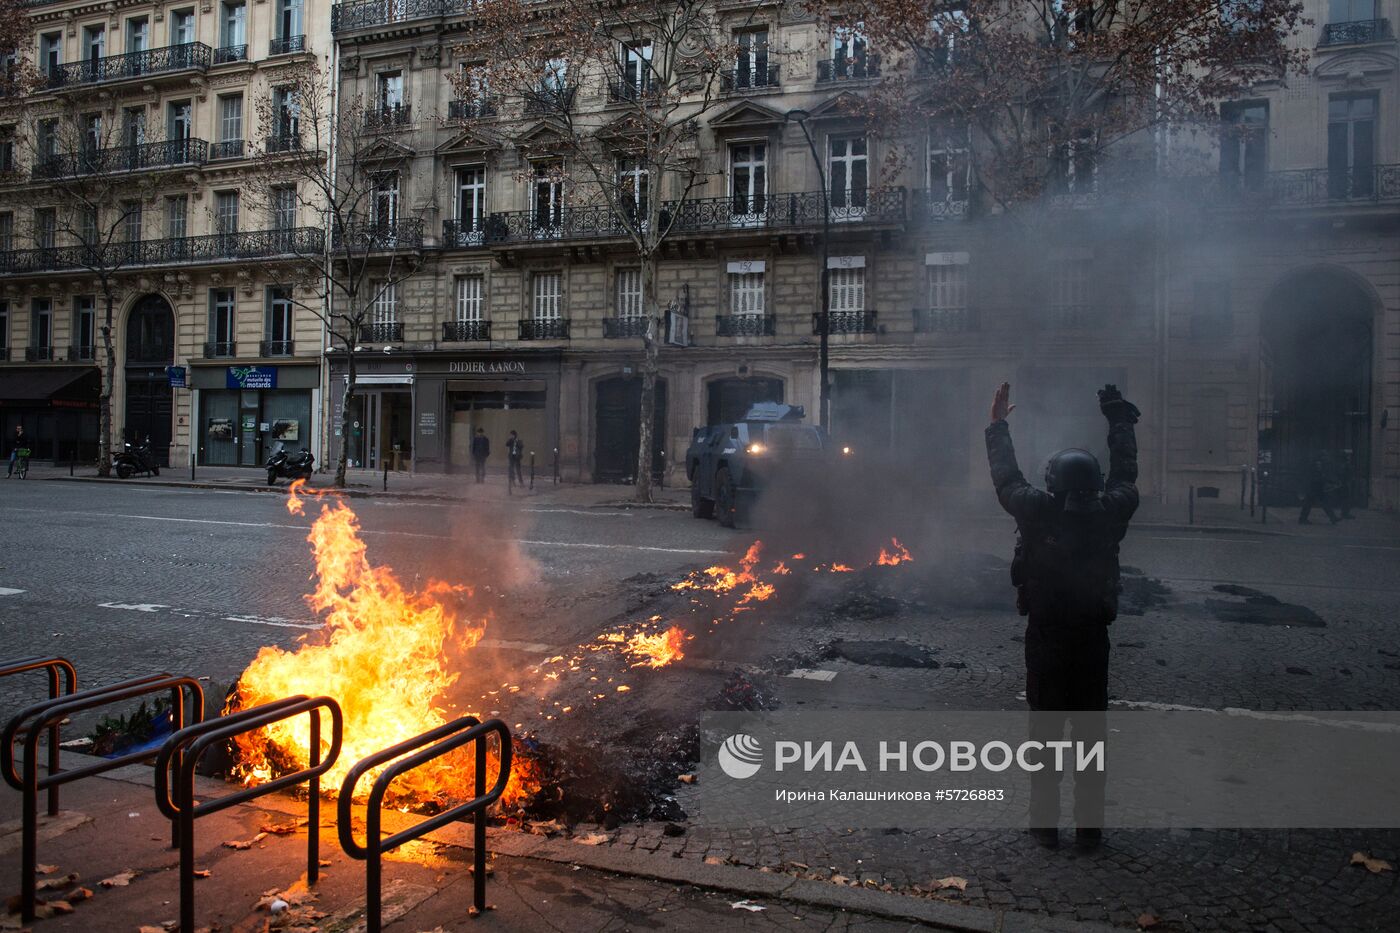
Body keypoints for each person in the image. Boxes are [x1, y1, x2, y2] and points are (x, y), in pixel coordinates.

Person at [985, 382, 1140, 850]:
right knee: (1090, 736)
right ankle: (1090, 830)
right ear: (1095, 483)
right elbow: (1127, 474)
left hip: (1046, 638)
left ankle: (1044, 825)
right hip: (1092, 640)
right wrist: (1118, 418)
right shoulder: (1111, 512)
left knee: (1045, 734)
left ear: (1052, 481)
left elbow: (1006, 478)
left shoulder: (1037, 511)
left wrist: (997, 424)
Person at [1298, 451, 1338, 525]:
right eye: (1325, 456)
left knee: (1314, 504)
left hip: (1316, 487)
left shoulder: (1319, 464)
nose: (1326, 458)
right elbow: (1317, 476)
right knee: (1312, 504)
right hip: (1315, 487)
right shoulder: (1318, 464)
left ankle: (1333, 518)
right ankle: (1333, 518)